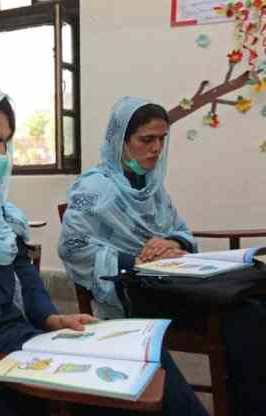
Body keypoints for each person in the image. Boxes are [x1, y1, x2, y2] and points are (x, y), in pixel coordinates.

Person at [0, 65, 208, 415]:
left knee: (149, 360)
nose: (0, 157)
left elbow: (19, 267)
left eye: (5, 143)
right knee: (126, 391)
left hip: (20, 345)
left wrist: (50, 318)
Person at [58, 96, 266, 416]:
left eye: (161, 139)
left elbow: (180, 230)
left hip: (172, 284)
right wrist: (136, 262)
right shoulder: (94, 188)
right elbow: (73, 246)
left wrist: (171, 243)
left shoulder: (153, 187)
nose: (156, 148)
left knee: (254, 309)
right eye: (146, 139)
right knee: (245, 318)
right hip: (133, 291)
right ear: (122, 141)